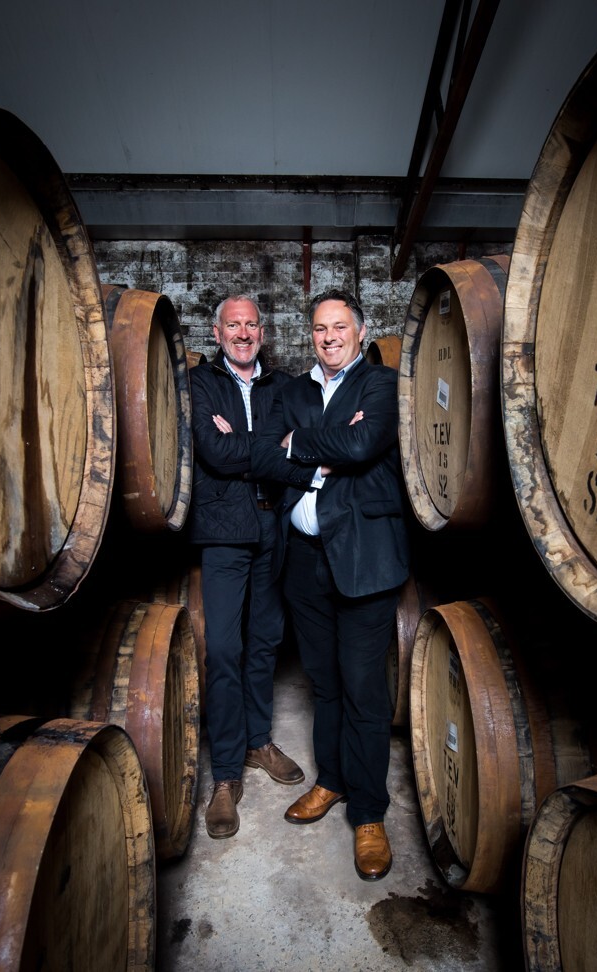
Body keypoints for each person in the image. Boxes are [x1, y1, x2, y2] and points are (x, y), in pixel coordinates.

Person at [250, 287, 410, 880]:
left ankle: (369, 814)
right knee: (324, 685)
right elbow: (264, 455)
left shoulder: (382, 385)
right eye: (319, 328)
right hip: (304, 562)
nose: (328, 336)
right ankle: (334, 783)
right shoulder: (292, 390)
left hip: (364, 560)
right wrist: (319, 452)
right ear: (309, 334)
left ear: (360, 333)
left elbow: (365, 443)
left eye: (339, 327)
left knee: (364, 689)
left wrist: (305, 445)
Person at [187, 293, 304, 840]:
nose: (242, 332)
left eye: (251, 324)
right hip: (223, 531)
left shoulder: (282, 386)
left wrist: (248, 447)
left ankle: (259, 742)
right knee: (226, 651)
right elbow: (214, 452)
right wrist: (264, 449)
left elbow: (293, 459)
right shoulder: (202, 383)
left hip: (271, 525)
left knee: (264, 642)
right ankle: (227, 775)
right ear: (217, 333)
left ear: (263, 331)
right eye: (233, 325)